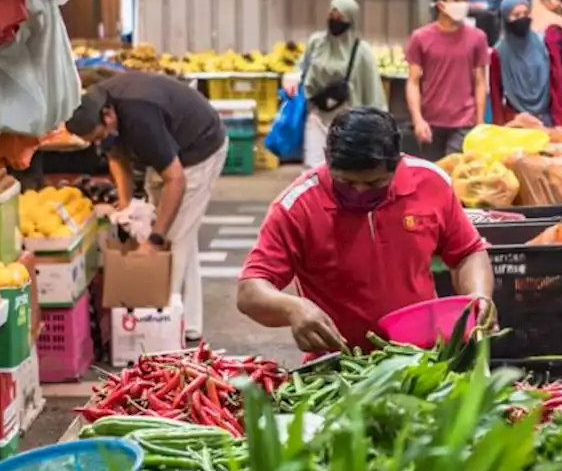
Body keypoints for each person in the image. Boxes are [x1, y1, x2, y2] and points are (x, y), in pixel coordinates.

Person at [236, 106, 494, 354]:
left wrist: (479, 296)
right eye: (346, 182)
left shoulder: (430, 183)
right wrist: (292, 308)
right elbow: (251, 290)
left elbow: (467, 252)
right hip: (339, 365)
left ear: (397, 163)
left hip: (422, 355)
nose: (359, 192)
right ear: (327, 158)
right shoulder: (298, 206)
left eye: (374, 183)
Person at [66, 72, 229, 344]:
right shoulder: (96, 105)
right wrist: (126, 202)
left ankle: (164, 326)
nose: (99, 142)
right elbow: (116, 155)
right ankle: (187, 321)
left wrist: (154, 239)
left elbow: (176, 179)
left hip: (200, 147)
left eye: (98, 136)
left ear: (108, 116)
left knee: (173, 239)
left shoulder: (140, 118)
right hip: (170, 150)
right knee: (179, 232)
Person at [282, 0, 387, 169]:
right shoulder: (317, 43)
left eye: (339, 17)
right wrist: (292, 79)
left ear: (350, 19)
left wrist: (379, 125)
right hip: (316, 114)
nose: (333, 20)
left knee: (342, 170)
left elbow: (373, 90)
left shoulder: (362, 51)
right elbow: (302, 67)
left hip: (349, 122)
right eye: (331, 14)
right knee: (313, 169)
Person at [405, 0, 490, 160]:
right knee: (432, 177)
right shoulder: (420, 38)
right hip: (430, 123)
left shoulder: (478, 38)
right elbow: (413, 82)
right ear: (440, 4)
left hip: (464, 123)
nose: (462, 4)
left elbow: (480, 82)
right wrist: (417, 120)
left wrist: (480, 121)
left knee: (455, 176)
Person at [489, 0, 562, 127]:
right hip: (516, 121)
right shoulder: (499, 53)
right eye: (516, 15)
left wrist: (560, 123)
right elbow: (496, 93)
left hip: (546, 119)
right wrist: (500, 125)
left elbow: (556, 83)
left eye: (525, 13)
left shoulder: (544, 45)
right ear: (506, 19)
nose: (522, 18)